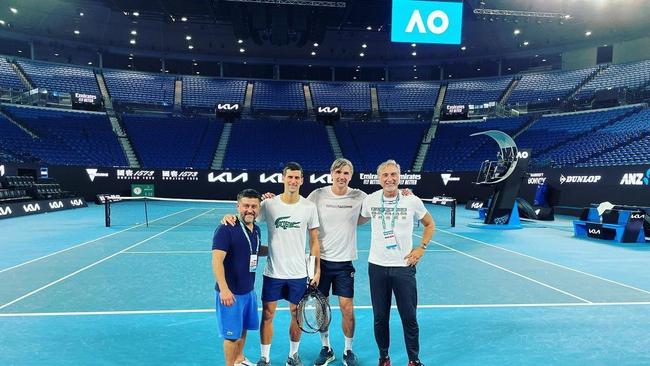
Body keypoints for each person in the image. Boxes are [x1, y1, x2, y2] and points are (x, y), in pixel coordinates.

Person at [360, 159, 435, 366]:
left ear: (399, 176)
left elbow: (429, 224)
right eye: (385, 175)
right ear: (379, 178)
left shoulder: (411, 200)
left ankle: (413, 359)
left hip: (404, 267)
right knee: (380, 318)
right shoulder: (371, 200)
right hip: (377, 266)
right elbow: (357, 218)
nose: (390, 178)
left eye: (393, 174)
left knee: (409, 317)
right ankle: (384, 357)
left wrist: (422, 248)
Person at [257, 162, 321, 366]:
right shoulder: (269, 204)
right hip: (273, 272)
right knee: (268, 314)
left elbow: (314, 241)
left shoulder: (309, 207)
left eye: (297, 177)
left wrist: (315, 270)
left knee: (296, 313)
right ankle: (265, 358)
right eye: (289, 177)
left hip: (298, 273)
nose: (293, 181)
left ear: (302, 180)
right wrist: (232, 216)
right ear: (283, 179)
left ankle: (293, 355)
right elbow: (249, 220)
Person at [212, 189, 268, 366]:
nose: (250, 209)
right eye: (246, 206)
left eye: (254, 206)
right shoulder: (226, 228)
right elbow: (216, 260)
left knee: (243, 329)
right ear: (238, 206)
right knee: (231, 336)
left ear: (259, 208)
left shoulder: (256, 230)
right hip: (231, 293)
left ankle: (239, 359)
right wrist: (224, 289)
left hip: (248, 291)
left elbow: (256, 250)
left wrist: (283, 248)